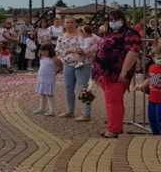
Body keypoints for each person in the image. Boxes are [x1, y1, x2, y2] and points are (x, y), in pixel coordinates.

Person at [92, 10, 142, 138]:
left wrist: (124, 71)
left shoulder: (130, 33)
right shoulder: (112, 33)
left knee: (112, 101)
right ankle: (116, 127)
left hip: (116, 73)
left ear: (122, 19)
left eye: (116, 19)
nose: (113, 22)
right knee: (114, 101)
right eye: (111, 20)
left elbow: (133, 51)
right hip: (105, 74)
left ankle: (113, 130)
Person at [55, 17, 91, 121]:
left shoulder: (82, 34)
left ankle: (86, 113)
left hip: (83, 64)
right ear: (64, 24)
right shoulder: (61, 37)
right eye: (67, 22)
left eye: (71, 22)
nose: (69, 24)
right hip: (68, 64)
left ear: (75, 24)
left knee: (83, 88)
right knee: (68, 88)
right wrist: (70, 50)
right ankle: (70, 111)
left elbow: (93, 45)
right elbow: (58, 51)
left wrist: (84, 51)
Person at [133, 47, 161, 134]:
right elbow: (149, 79)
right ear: (153, 58)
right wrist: (141, 86)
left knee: (159, 119)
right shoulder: (152, 67)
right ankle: (155, 136)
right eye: (159, 58)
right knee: (152, 119)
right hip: (152, 98)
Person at [34, 44, 64, 116]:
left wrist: (56, 72)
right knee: (42, 94)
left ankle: (51, 110)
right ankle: (42, 108)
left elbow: (61, 66)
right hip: (41, 78)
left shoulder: (54, 59)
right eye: (42, 51)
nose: (43, 52)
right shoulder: (42, 57)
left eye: (45, 51)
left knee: (49, 95)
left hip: (49, 79)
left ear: (50, 51)